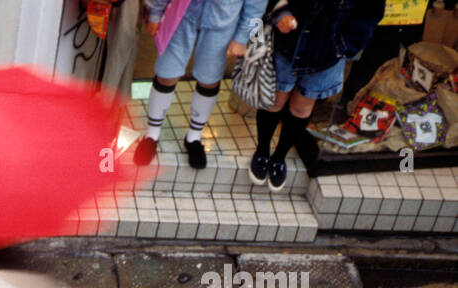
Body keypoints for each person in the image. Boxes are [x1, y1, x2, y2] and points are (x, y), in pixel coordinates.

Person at [248, 0, 386, 191]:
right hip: (289, 39)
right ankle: (262, 150)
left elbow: (369, 15)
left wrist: (342, 46)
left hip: (327, 53)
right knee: (275, 100)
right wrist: (280, 12)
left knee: (302, 105)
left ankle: (279, 157)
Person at [136, 0, 267, 169]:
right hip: (181, 15)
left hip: (224, 22)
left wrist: (242, 37)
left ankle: (194, 137)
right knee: (166, 74)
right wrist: (155, 12)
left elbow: (257, 4)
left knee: (209, 80)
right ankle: (151, 135)